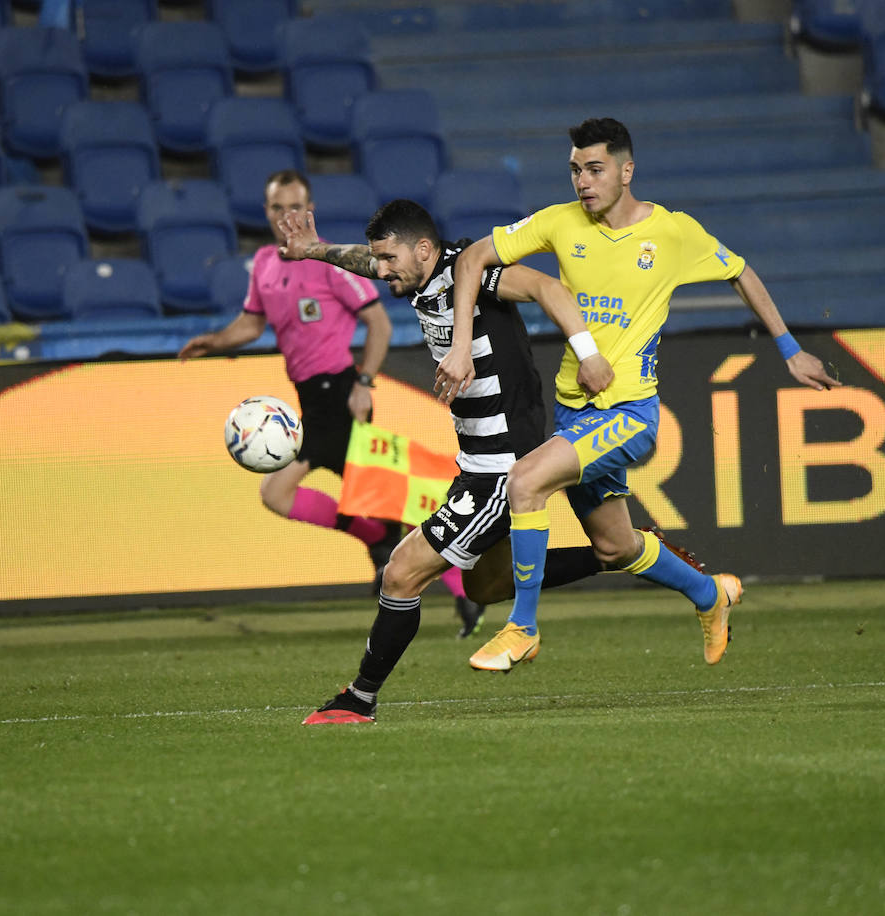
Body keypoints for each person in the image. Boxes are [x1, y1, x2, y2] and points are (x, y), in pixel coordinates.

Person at [444, 117, 842, 673]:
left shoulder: (674, 233)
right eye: (575, 171)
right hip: (573, 409)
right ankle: (711, 595)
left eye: (595, 169)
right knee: (615, 548)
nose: (583, 182)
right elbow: (469, 260)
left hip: (629, 411)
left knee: (525, 482)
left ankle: (522, 628)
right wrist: (461, 344)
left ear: (627, 171)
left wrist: (790, 349)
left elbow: (741, 272)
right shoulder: (559, 223)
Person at [278, 198, 611, 724]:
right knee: (486, 585)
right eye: (379, 260)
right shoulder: (416, 274)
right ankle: (621, 552)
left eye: (390, 259)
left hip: (504, 467)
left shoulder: (472, 270)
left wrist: (589, 354)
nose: (380, 271)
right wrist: (311, 251)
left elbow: (548, 288)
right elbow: (362, 261)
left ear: (425, 249)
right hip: (476, 462)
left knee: (401, 573)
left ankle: (358, 698)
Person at [178, 170, 424, 606]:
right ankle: (390, 546)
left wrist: (364, 382)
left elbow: (379, 323)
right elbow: (253, 322)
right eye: (277, 207)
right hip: (308, 402)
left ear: (308, 211)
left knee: (281, 492)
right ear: (267, 212)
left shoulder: (329, 261)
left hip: (343, 397)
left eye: (295, 207)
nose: (286, 215)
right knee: (384, 502)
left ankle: (443, 570)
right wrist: (214, 342)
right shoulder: (266, 265)